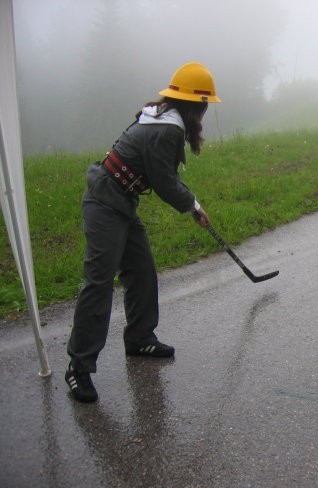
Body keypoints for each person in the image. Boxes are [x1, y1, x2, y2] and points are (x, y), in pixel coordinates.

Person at [65, 62, 220, 403]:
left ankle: (139, 338)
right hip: (105, 202)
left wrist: (192, 202)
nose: (206, 111)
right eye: (205, 104)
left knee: (141, 271)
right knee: (99, 281)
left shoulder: (162, 117)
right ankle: (78, 368)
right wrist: (193, 206)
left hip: (120, 201)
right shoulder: (167, 128)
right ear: (197, 106)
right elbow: (165, 183)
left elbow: (161, 172)